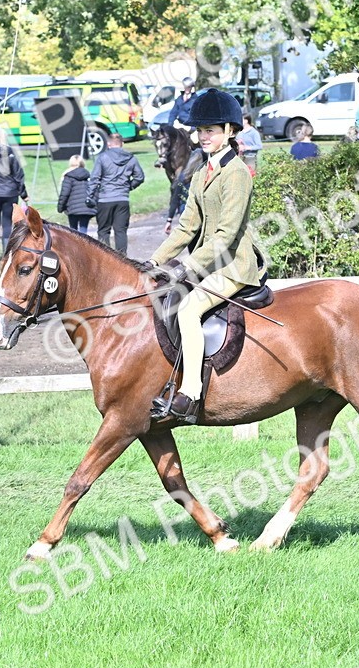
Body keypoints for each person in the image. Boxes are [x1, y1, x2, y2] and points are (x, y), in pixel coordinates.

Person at [142, 89, 264, 424]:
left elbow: (226, 234)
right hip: (207, 264)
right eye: (200, 131)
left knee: (189, 308)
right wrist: (153, 261)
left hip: (234, 266)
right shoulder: (201, 173)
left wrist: (186, 266)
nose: (203, 136)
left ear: (230, 131)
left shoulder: (236, 172)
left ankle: (191, 392)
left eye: (210, 130)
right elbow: (185, 228)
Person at [86, 133, 145, 253]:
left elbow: (94, 178)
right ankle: (123, 260)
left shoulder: (103, 157)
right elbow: (140, 177)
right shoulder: (131, 158)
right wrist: (128, 187)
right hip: (122, 199)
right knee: (121, 231)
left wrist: (89, 196)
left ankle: (105, 259)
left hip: (105, 199)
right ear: (122, 144)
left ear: (108, 144)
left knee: (103, 231)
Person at [56, 154, 96, 234]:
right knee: (83, 231)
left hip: (72, 208)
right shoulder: (88, 174)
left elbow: (65, 193)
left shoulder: (68, 176)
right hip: (86, 207)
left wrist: (60, 207)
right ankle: (84, 245)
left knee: (73, 232)